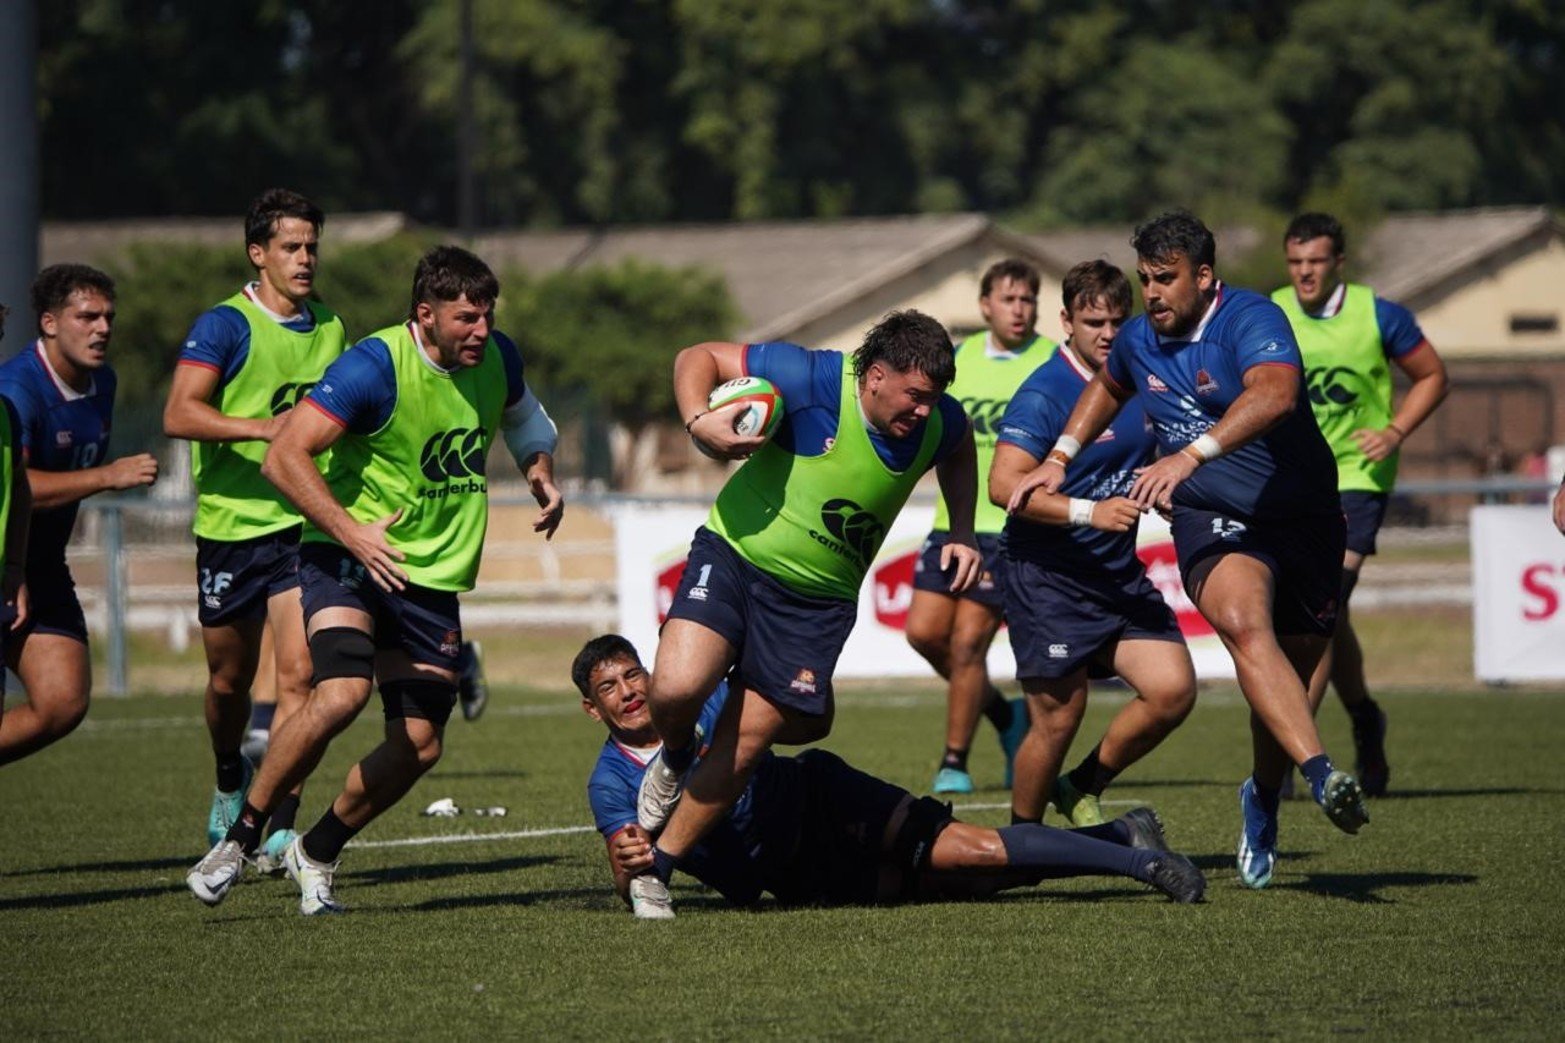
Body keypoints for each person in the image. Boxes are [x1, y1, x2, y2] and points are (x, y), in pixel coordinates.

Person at [185, 245, 563, 914]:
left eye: (487, 315)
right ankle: (240, 840)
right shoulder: (373, 366)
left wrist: (538, 469)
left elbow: (526, 419)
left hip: (428, 575)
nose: (482, 329)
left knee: (419, 744)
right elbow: (284, 455)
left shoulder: (496, 357)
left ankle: (317, 849)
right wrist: (351, 531)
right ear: (426, 314)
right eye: (467, 317)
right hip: (345, 557)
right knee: (340, 692)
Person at [1008, 211, 1370, 891]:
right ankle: (1323, 776)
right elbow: (1108, 383)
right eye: (1144, 278)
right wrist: (1059, 455)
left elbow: (1276, 394)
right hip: (1213, 516)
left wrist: (1189, 452)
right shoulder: (1139, 338)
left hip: (1304, 517)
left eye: (1164, 279)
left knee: (1290, 674)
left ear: (1204, 277)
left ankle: (1262, 794)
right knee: (1241, 621)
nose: (1150, 294)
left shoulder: (1249, 319)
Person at [632, 311, 983, 919]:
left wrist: (961, 529)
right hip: (736, 555)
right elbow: (699, 354)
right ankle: (676, 752)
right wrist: (699, 423)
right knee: (677, 687)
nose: (925, 411)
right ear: (874, 376)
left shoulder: (937, 421)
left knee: (747, 742)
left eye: (934, 399)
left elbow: (958, 448)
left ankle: (656, 871)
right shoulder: (813, 377)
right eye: (915, 396)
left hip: (816, 606)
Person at [577, 635, 1204, 912]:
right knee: (970, 882)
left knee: (979, 850)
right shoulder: (610, 782)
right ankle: (1121, 834)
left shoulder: (706, 704)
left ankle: (1141, 865)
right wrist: (628, 861)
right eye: (611, 687)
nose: (629, 691)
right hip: (794, 876)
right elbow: (623, 867)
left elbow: (798, 718)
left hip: (826, 798)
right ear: (592, 708)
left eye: (634, 674)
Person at [163, 189, 348, 866]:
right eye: (292, 247)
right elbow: (180, 412)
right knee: (227, 683)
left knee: (301, 676)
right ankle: (226, 777)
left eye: (312, 247)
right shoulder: (224, 325)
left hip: (300, 527)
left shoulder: (331, 328)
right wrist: (265, 428)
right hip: (230, 528)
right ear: (258, 253)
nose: (305, 259)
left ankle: (274, 821)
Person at [989, 261, 1196, 828]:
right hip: (1046, 576)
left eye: (1116, 320)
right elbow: (1003, 488)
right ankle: (1023, 841)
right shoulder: (1045, 392)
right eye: (1092, 321)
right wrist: (1089, 512)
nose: (1107, 333)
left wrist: (1163, 486)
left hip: (1113, 573)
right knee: (1058, 718)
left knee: (1172, 689)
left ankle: (1081, 784)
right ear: (1066, 321)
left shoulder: (1142, 379)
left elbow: (1147, 455)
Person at [1273, 213, 1449, 796]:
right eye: (1296, 262)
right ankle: (1366, 721)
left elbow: (1431, 376)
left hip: (1357, 480)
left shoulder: (1379, 314)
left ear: (1338, 263)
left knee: (1323, 609)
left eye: (1316, 262)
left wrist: (1395, 432)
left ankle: (1297, 753)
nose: (1304, 273)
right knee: (1327, 612)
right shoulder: (1268, 313)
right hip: (1291, 483)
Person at [0, 265, 155, 766]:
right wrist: (106, 477)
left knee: (63, 701)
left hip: (38, 565)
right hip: (9, 562)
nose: (103, 328)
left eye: (108, 316)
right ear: (49, 322)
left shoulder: (102, 384)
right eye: (87, 316)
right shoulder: (19, 391)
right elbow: (17, 487)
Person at [905, 259, 1051, 794]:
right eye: (1009, 299)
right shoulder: (961, 361)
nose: (1019, 309)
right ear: (986, 305)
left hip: (1010, 529)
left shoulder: (1050, 363)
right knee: (923, 634)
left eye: (1027, 300)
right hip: (954, 522)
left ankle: (955, 762)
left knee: (968, 646)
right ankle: (1005, 716)